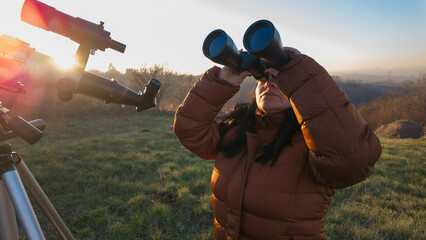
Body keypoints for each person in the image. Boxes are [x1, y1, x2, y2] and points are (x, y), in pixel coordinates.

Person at [173, 47, 382, 240]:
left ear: (296, 88)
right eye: (262, 78)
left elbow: (353, 163)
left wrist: (302, 75)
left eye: (279, 79)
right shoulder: (236, 128)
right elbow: (188, 129)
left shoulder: (314, 144)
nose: (269, 83)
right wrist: (222, 81)